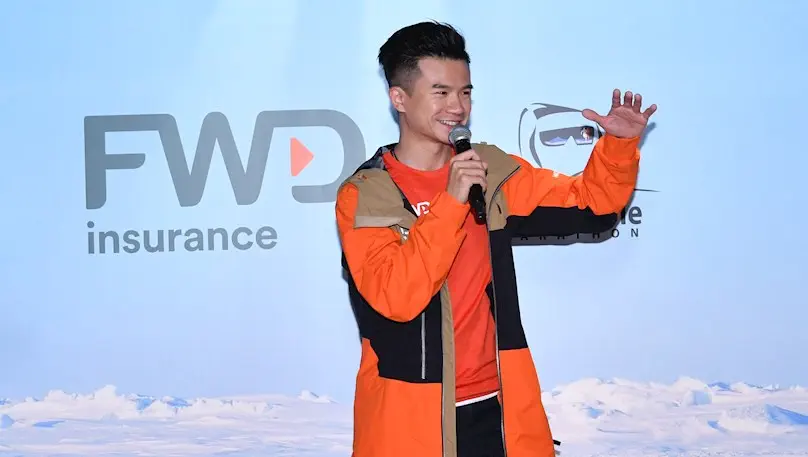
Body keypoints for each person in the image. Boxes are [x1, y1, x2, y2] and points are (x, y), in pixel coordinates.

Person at [335, 21, 657, 457]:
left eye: (465, 92)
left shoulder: (491, 169)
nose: (457, 107)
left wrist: (618, 145)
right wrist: (450, 201)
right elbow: (397, 297)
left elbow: (591, 204)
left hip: (499, 411)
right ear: (400, 98)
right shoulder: (366, 194)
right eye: (441, 92)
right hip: (411, 422)